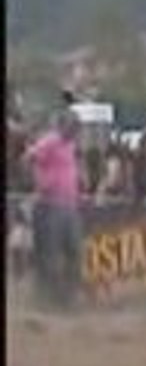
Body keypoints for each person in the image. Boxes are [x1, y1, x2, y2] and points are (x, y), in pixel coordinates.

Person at [24, 110, 83, 309]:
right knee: (51, 253)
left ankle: (66, 296)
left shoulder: (71, 145)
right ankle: (48, 298)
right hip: (50, 204)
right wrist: (41, 182)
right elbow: (29, 158)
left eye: (77, 126)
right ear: (63, 125)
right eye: (73, 126)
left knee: (74, 252)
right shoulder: (50, 141)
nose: (76, 130)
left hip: (70, 204)